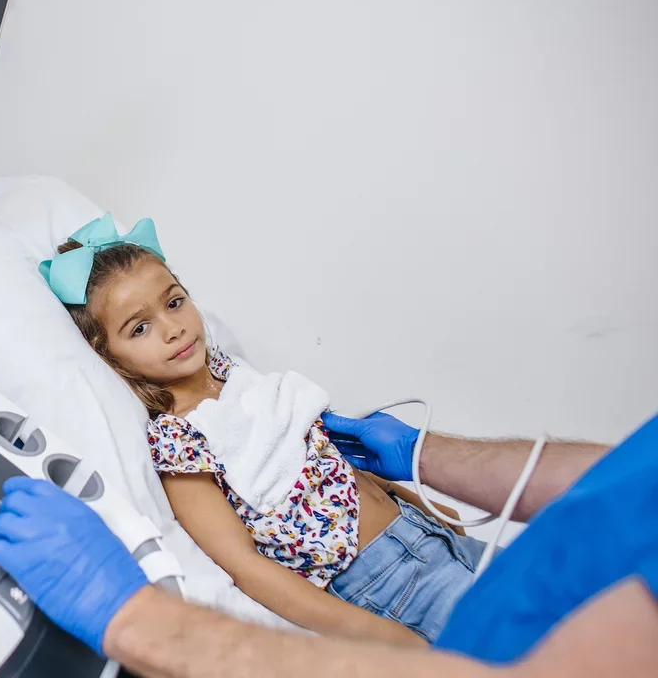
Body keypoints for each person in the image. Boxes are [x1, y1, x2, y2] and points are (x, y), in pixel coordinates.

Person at [35, 214, 483, 644]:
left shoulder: (235, 375)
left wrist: (417, 501)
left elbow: (317, 458)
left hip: (426, 532)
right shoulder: (179, 440)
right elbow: (245, 567)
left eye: (174, 302)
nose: (173, 328)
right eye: (140, 328)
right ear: (110, 358)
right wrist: (379, 635)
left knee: (551, 606)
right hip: (387, 587)